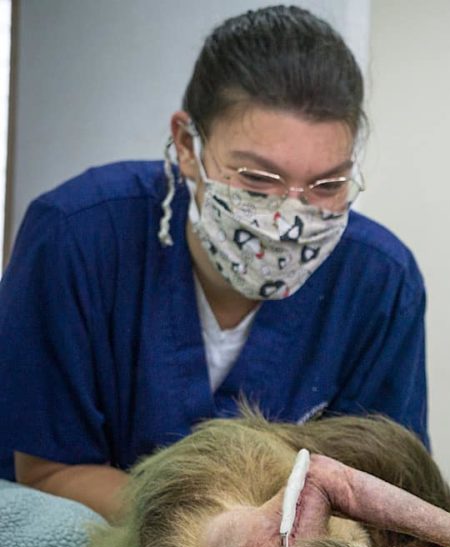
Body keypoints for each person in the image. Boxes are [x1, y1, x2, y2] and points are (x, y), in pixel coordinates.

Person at [0, 6, 428, 520]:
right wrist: (216, 530)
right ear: (187, 146)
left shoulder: (379, 282)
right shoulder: (77, 235)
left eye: (327, 184)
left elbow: (382, 488)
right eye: (257, 179)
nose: (289, 215)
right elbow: (47, 469)